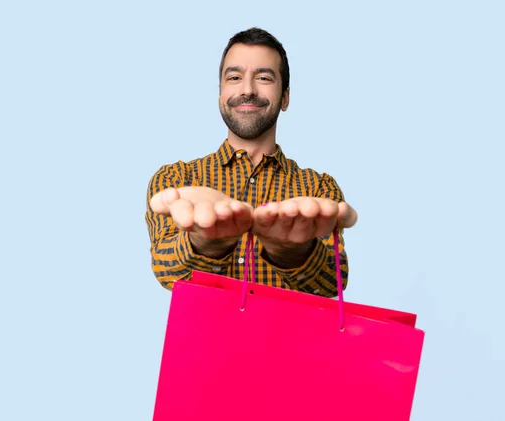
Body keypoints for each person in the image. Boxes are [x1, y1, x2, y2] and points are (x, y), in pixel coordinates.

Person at [145, 27, 357, 297]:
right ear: (220, 94)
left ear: (285, 97)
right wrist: (207, 241)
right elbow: (167, 273)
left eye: (264, 78)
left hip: (289, 341)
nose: (247, 90)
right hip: (205, 341)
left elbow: (330, 284)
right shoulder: (176, 181)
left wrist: (291, 251)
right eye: (234, 77)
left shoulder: (319, 189)